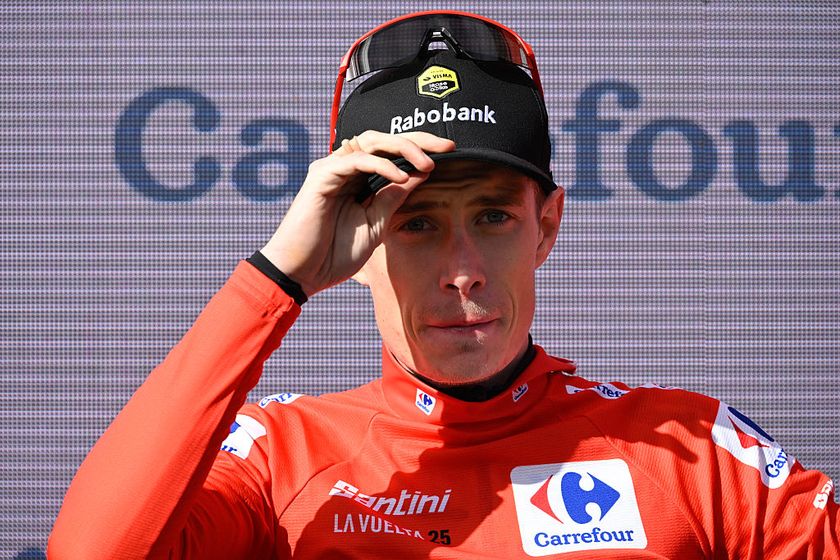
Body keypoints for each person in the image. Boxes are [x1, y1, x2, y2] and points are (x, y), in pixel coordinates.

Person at [49, 10, 837, 559]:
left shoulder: (691, 448)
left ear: (547, 227)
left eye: (493, 217)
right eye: (417, 223)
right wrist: (278, 278)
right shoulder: (280, 457)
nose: (463, 272)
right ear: (353, 243)